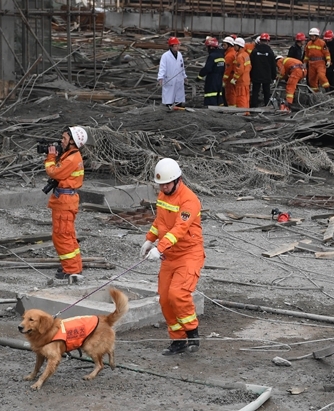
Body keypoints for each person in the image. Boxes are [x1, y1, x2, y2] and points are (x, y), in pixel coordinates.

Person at [140, 158, 205, 355]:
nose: (164, 187)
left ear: (177, 180)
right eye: (161, 184)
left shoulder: (189, 200)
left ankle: (192, 332)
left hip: (188, 254)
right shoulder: (163, 195)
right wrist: (149, 239)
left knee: (178, 294)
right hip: (170, 254)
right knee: (165, 299)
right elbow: (160, 220)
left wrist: (160, 247)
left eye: (167, 184)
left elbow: (179, 229)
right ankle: (177, 340)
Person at [44, 127, 87, 284]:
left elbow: (54, 172)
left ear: (73, 142)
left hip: (64, 202)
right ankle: (74, 267)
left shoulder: (71, 159)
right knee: (67, 235)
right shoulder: (71, 156)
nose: (61, 141)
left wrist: (50, 157)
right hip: (65, 201)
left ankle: (71, 271)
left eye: (64, 138)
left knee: (62, 236)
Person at [158, 37, 187, 109]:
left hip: (179, 78)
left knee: (179, 95)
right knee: (169, 95)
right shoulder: (165, 56)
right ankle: (169, 106)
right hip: (170, 78)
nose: (178, 47)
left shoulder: (179, 55)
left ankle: (178, 106)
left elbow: (182, 66)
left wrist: (184, 76)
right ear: (171, 46)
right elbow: (162, 67)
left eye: (178, 45)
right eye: (176, 45)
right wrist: (160, 77)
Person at [249, 32, 276, 107]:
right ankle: (266, 105)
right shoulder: (270, 52)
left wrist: (250, 75)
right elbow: (273, 65)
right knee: (266, 91)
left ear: (260, 40)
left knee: (255, 91)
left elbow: (250, 63)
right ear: (268, 41)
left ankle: (253, 105)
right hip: (266, 75)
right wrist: (274, 76)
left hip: (256, 74)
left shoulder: (254, 51)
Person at [197, 37, 225, 106]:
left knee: (210, 95)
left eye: (207, 47)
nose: (207, 49)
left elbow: (207, 68)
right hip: (219, 78)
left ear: (211, 47)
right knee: (218, 95)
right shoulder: (221, 55)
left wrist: (199, 77)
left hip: (212, 79)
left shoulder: (212, 56)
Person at [304, 27, 331, 92]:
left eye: (313, 36)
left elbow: (326, 53)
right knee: (312, 79)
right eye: (311, 36)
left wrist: (328, 61)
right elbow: (306, 55)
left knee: (321, 75)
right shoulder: (309, 44)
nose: (311, 37)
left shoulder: (322, 43)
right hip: (311, 64)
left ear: (316, 36)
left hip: (320, 63)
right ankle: (315, 93)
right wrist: (305, 63)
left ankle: (327, 89)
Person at [231, 37, 251, 112]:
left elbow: (240, 69)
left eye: (235, 45)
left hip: (241, 80)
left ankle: (242, 112)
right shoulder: (246, 55)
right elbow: (249, 67)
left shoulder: (240, 57)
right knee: (246, 97)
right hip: (246, 79)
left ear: (239, 46)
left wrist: (234, 78)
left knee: (240, 97)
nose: (234, 47)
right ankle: (246, 111)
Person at [221, 36, 237, 107]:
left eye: (224, 45)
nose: (223, 46)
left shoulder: (229, 56)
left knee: (230, 93)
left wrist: (224, 80)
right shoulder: (233, 52)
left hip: (229, 77)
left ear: (229, 45)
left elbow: (227, 69)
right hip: (233, 76)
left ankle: (231, 107)